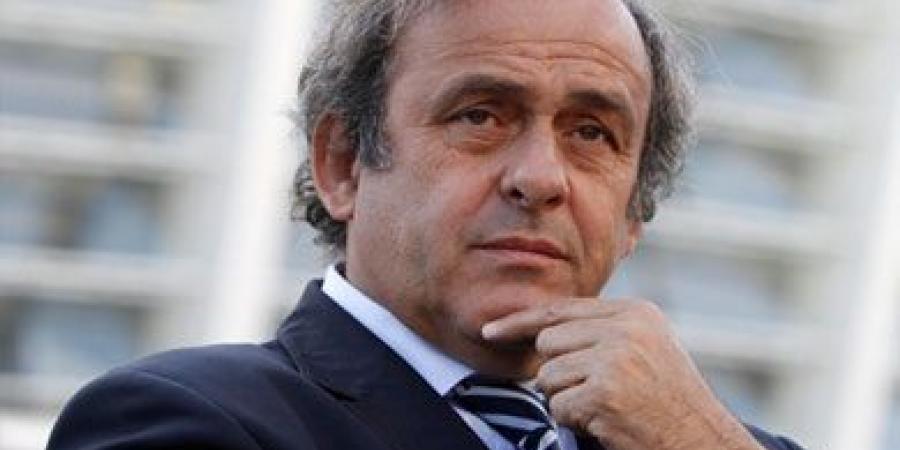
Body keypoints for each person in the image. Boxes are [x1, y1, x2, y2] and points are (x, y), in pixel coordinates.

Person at [48, 1, 805, 449]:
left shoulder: (702, 437)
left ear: (635, 209)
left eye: (590, 133)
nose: (541, 178)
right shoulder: (186, 419)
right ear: (343, 163)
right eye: (480, 116)